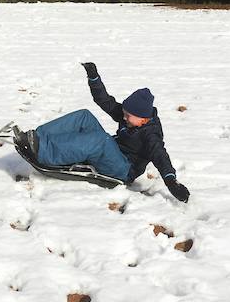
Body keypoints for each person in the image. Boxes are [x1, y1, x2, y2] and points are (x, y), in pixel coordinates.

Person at [14, 62, 190, 202]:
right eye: (124, 113)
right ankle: (37, 137)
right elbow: (105, 101)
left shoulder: (151, 135)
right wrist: (94, 77)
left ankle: (44, 152)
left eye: (128, 115)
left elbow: (161, 157)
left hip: (123, 169)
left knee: (100, 140)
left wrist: (172, 183)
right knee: (84, 116)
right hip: (114, 153)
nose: (124, 117)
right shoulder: (131, 117)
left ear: (143, 119)